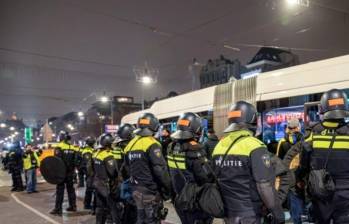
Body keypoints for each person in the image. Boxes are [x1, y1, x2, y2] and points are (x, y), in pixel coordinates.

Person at [212, 101, 284, 224]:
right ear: (253, 120)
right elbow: (264, 185)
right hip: (249, 213)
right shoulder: (255, 146)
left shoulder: (219, 145)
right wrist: (278, 214)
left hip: (227, 212)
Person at [300, 89, 349, 223]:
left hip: (320, 192)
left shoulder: (313, 134)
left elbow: (303, 164)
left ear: (323, 108)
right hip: (345, 195)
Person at [124, 113, 172, 224]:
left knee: (141, 219)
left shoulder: (130, 145)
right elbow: (160, 170)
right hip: (150, 192)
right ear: (154, 126)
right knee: (152, 220)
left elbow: (126, 168)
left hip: (136, 190)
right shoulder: (152, 144)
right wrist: (168, 190)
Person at [167, 112, 214, 224]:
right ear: (196, 129)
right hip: (194, 201)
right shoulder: (195, 149)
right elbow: (205, 177)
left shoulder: (171, 146)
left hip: (179, 198)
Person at [275, 118, 305, 224]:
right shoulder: (304, 140)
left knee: (293, 204)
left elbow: (278, 162)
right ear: (298, 127)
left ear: (287, 128)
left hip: (289, 179)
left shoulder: (282, 142)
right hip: (303, 177)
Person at [92, 133, 122, 224]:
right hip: (106, 186)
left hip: (98, 184)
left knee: (100, 207)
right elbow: (112, 172)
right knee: (114, 208)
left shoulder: (96, 154)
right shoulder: (107, 155)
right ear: (108, 144)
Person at [112, 123, 137, 224]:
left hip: (119, 182)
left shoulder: (117, 147)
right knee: (132, 211)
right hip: (128, 183)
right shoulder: (129, 147)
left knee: (125, 209)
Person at [50, 131, 78, 215]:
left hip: (61, 173)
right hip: (70, 172)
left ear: (61, 137)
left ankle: (58, 209)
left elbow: (56, 161)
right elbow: (75, 161)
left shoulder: (59, 147)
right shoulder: (73, 147)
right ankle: (73, 206)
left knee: (60, 191)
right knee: (71, 190)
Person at [81, 136, 96, 210]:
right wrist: (90, 174)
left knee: (91, 189)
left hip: (92, 173)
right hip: (90, 173)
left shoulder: (91, 150)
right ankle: (87, 204)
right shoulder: (87, 151)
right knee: (89, 189)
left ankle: (89, 204)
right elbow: (88, 164)